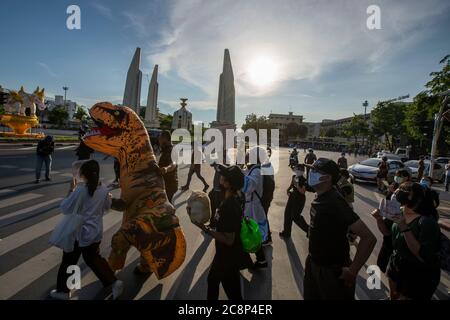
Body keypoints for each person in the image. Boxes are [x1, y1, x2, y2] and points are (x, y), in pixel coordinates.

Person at [303, 158, 376, 300]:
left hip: (332, 271)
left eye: (315, 171)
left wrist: (353, 270)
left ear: (328, 178)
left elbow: (369, 238)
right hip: (314, 264)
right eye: (311, 169)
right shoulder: (321, 195)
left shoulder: (335, 202)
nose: (310, 173)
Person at [50, 160, 123, 300]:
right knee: (93, 258)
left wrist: (71, 190)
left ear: (83, 174)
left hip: (78, 233)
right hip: (95, 232)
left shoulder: (80, 191)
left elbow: (65, 208)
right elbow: (106, 207)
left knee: (69, 261)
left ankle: (63, 291)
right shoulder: (103, 190)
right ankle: (114, 282)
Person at [192, 165, 246, 300]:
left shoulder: (230, 205)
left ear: (228, 183)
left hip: (227, 255)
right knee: (228, 288)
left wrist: (204, 228)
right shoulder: (229, 198)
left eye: (222, 176)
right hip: (226, 254)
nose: (219, 177)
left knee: (214, 281)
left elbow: (229, 239)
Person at [379, 182, 441, 300]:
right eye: (400, 189)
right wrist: (379, 220)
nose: (398, 192)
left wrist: (404, 228)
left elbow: (423, 256)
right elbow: (387, 233)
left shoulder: (427, 222)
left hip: (417, 274)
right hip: (396, 265)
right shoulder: (399, 211)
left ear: (417, 198)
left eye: (405, 191)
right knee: (394, 296)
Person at [242, 146, 269, 268]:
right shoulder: (253, 169)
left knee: (248, 233)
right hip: (251, 206)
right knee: (251, 233)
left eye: (249, 154)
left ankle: (246, 261)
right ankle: (261, 259)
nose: (247, 156)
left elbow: (249, 185)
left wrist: (237, 175)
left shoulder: (256, 171)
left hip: (252, 207)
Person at [279, 166, 309, 238]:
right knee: (287, 214)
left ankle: (309, 230)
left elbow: (302, 191)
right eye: (297, 169)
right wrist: (288, 190)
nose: (298, 171)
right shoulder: (294, 177)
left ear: (302, 171)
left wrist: (297, 185)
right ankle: (286, 233)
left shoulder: (304, 180)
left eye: (300, 170)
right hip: (292, 196)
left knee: (296, 217)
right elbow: (291, 185)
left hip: (299, 199)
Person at [158, 130, 178, 203]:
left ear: (165, 139)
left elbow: (174, 163)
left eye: (160, 138)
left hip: (169, 184)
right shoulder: (165, 149)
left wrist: (166, 168)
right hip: (165, 183)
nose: (159, 140)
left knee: (166, 206)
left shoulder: (172, 150)